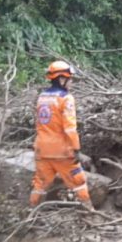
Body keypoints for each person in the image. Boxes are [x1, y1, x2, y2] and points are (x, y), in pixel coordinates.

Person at [29, 61, 94, 210]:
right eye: (69, 79)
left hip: (42, 149)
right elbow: (70, 128)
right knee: (78, 182)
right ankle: (90, 213)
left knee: (39, 184)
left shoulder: (42, 97)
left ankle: (31, 214)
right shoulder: (66, 99)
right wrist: (76, 149)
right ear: (61, 79)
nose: (71, 82)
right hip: (62, 151)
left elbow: (40, 124)